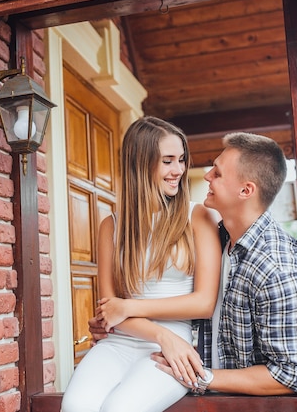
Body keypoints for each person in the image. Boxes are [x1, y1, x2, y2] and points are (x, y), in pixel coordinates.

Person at [90, 131, 297, 396]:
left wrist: (203, 376)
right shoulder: (221, 240)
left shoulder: (274, 267)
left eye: (217, 173)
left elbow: (291, 375)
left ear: (246, 190)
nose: (205, 175)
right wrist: (121, 320)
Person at [61, 116, 221, 412]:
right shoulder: (112, 226)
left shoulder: (197, 217)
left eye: (181, 160)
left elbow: (203, 303)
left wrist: (131, 307)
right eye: (168, 161)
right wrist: (160, 333)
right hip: (123, 342)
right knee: (75, 406)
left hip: (173, 349)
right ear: (141, 164)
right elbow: (110, 309)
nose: (179, 171)